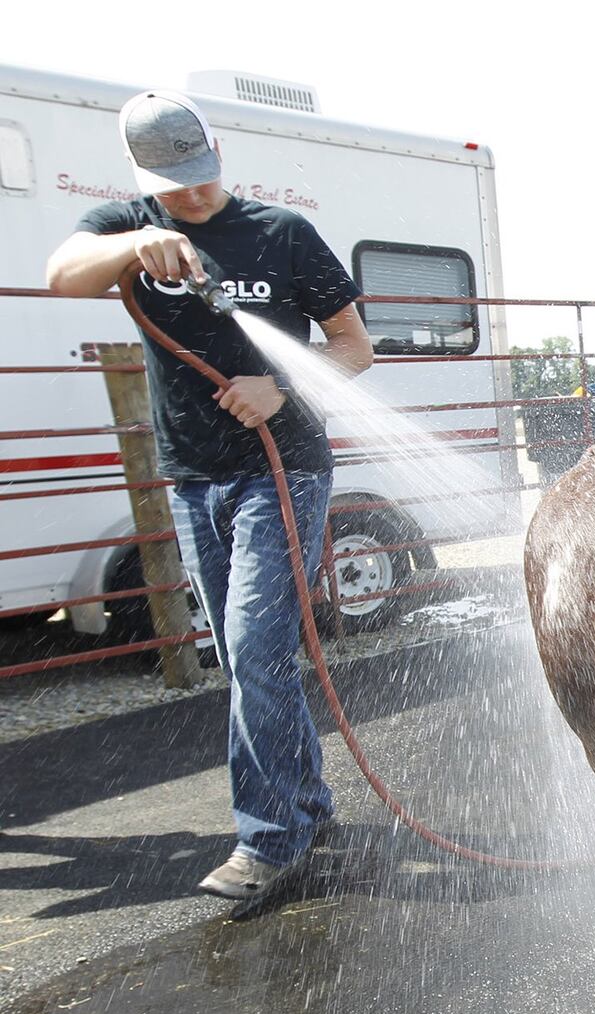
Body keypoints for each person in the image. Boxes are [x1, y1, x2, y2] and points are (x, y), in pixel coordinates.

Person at [45, 90, 373, 901]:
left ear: (218, 152)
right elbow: (60, 276)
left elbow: (353, 348)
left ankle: (270, 840)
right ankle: (305, 802)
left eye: (200, 175)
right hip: (194, 477)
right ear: (143, 175)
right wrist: (140, 240)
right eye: (173, 183)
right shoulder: (125, 224)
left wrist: (276, 388)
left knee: (257, 652)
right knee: (242, 658)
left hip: (282, 466)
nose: (193, 194)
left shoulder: (280, 233)